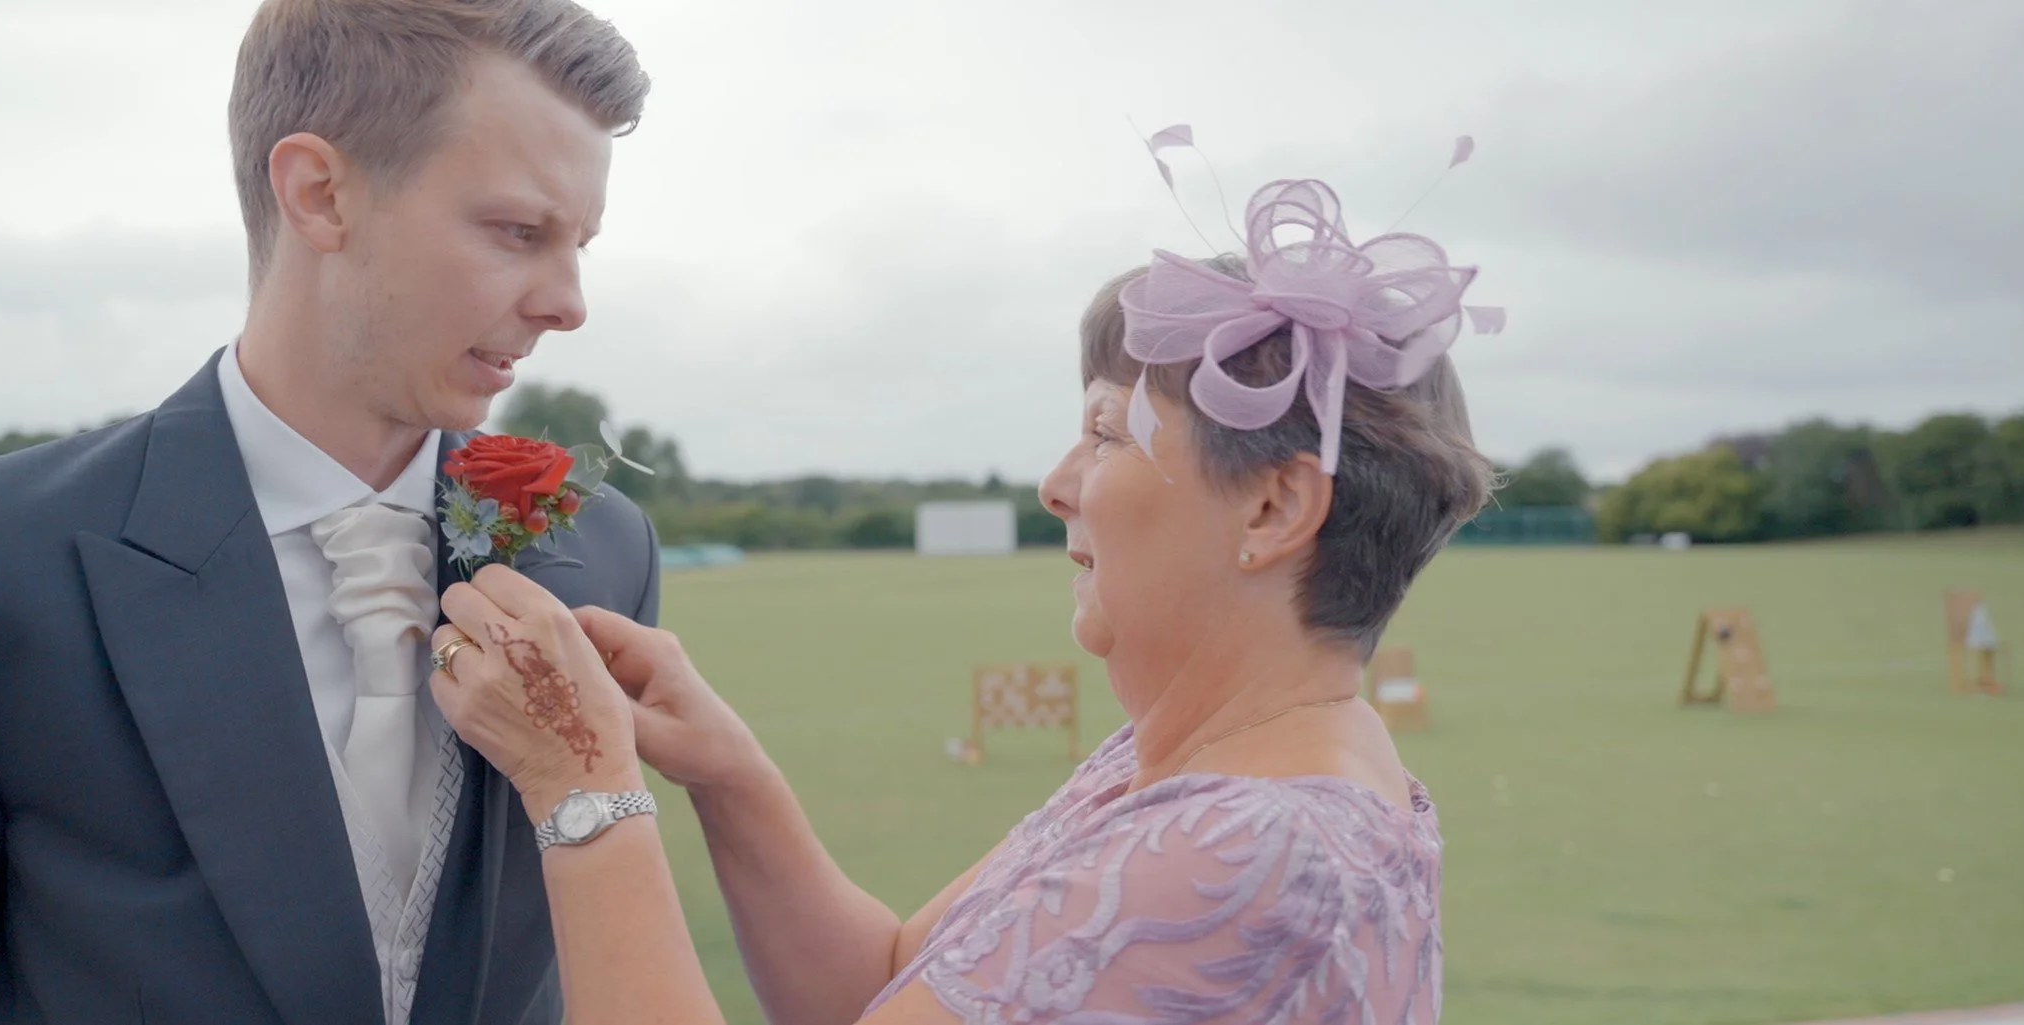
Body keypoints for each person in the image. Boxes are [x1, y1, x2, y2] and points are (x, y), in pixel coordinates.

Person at [427, 177, 1497, 1024]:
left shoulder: (1252, 845)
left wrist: (585, 786)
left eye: (1108, 432)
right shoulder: (1193, 764)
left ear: (1272, 506)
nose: (1057, 481)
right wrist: (729, 771)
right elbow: (883, 985)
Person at [0, 2, 654, 1022]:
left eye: (581, 243)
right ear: (320, 194)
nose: (569, 301)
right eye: (519, 231)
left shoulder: (596, 550)